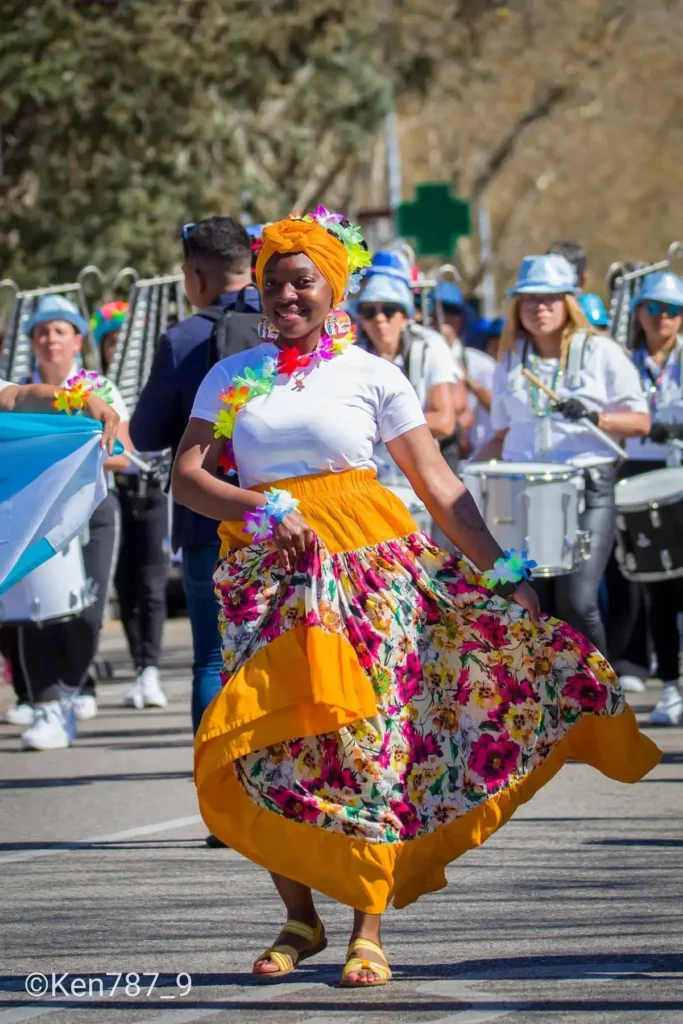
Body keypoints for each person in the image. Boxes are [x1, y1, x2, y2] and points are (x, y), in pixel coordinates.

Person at [172, 210, 659, 987]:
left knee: (372, 746)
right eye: (275, 284)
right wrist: (260, 508)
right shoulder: (232, 375)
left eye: (304, 282)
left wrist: (506, 576)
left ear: (334, 290)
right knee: (265, 747)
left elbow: (440, 489)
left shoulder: (372, 375)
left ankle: (367, 925)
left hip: (368, 576)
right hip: (270, 582)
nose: (287, 296)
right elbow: (188, 477)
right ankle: (299, 915)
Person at [130, 217, 260, 844]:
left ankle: (222, 804)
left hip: (208, 517)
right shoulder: (295, 329)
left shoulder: (183, 339)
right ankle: (291, 795)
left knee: (214, 656)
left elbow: (148, 433)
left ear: (199, 275)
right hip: (285, 518)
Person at [476, 254, 650, 655]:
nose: (540, 308)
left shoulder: (600, 351)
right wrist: (460, 480)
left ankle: (603, 702)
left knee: (578, 601)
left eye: (551, 299)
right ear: (517, 305)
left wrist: (597, 416)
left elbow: (640, 421)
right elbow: (502, 434)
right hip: (521, 499)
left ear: (568, 302)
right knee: (529, 603)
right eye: (530, 299)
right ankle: (551, 706)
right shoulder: (509, 358)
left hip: (587, 490)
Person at [2, 294, 130, 749]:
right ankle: (47, 705)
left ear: (77, 339)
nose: (49, 339)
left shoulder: (92, 385)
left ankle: (62, 699)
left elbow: (16, 397)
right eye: (41, 331)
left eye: (59, 330)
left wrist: (84, 404)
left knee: (81, 615)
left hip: (84, 512)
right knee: (30, 615)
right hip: (31, 511)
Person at [93, 302, 168, 711]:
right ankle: (139, 662)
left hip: (151, 487)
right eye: (111, 341)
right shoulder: (100, 387)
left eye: (124, 341)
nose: (117, 348)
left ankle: (151, 668)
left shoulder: (153, 381)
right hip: (117, 490)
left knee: (153, 581)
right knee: (124, 583)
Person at [617, 272, 683, 725]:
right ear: (639, 312)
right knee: (655, 588)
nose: (662, 318)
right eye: (654, 308)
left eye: (673, 310)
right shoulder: (623, 360)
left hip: (680, 471)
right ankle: (671, 688)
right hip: (638, 475)